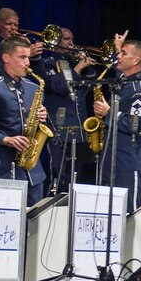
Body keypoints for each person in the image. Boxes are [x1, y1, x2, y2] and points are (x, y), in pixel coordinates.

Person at [0, 36, 49, 205]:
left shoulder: (34, 88)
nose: (28, 63)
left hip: (33, 174)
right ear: (6, 58)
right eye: (22, 57)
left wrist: (43, 118)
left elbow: (45, 130)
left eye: (28, 58)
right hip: (1, 170)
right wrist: (5, 140)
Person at [90, 37, 141, 212]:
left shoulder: (139, 89)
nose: (119, 57)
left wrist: (108, 112)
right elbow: (117, 68)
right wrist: (117, 48)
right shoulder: (124, 80)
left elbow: (136, 124)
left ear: (136, 60)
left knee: (128, 212)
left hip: (128, 161)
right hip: (112, 156)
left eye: (123, 54)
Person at [41, 27, 98, 191]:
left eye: (72, 39)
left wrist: (88, 66)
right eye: (67, 39)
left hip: (79, 132)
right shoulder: (49, 63)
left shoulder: (74, 64)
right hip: (59, 131)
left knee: (75, 181)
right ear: (56, 41)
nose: (71, 43)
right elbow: (58, 87)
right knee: (57, 179)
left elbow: (91, 84)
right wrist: (79, 68)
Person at [0, 8, 43, 82]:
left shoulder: (21, 46)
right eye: (8, 24)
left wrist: (35, 56)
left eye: (16, 25)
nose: (13, 28)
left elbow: (41, 75)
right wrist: (26, 54)